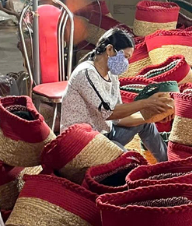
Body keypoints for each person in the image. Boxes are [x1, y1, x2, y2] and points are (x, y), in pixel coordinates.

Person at [62, 27, 173, 160]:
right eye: (125, 57)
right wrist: (147, 103)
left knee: (146, 123)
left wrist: (152, 116)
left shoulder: (112, 76)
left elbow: (118, 119)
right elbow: (110, 112)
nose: (126, 63)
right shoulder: (86, 73)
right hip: (83, 142)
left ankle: (167, 163)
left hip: (104, 135)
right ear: (109, 49)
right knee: (130, 161)